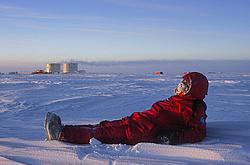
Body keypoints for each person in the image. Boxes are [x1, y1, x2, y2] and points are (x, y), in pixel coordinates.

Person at [44, 72, 209, 145]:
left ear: (193, 89)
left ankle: (61, 134)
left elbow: (198, 132)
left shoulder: (195, 107)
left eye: (184, 85)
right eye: (181, 84)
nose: (179, 87)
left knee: (102, 133)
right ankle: (62, 128)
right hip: (139, 121)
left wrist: (171, 137)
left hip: (145, 130)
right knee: (103, 126)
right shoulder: (181, 99)